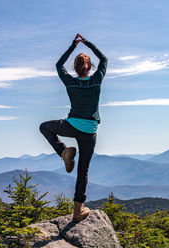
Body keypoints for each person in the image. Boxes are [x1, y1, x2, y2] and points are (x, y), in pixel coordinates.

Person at [39, 34, 108, 222]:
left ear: (75, 68)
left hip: (70, 126)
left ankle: (63, 151)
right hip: (89, 132)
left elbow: (58, 65)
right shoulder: (97, 81)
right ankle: (78, 210)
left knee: (45, 127)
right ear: (90, 67)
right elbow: (104, 59)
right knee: (83, 170)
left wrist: (72, 46)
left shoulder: (70, 82)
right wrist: (87, 44)